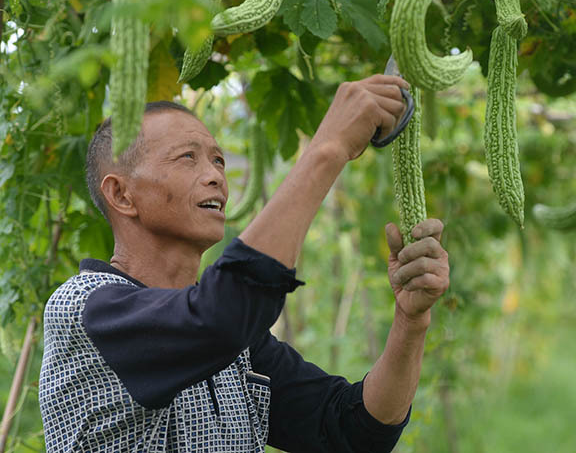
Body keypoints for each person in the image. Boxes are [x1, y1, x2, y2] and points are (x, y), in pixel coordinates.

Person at [38, 73, 451, 452]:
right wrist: (328, 149)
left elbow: (351, 429)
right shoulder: (84, 310)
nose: (216, 175)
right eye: (187, 157)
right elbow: (219, 316)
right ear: (122, 196)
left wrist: (410, 322)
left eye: (218, 160)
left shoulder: (236, 346)